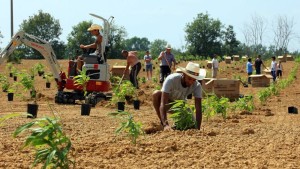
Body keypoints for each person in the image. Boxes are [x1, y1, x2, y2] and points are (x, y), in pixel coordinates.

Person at [152, 62, 206, 131]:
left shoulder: (197, 85)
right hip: (167, 103)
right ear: (184, 74)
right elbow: (163, 103)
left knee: (191, 125)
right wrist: (166, 124)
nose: (191, 82)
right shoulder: (172, 79)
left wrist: (197, 128)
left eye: (194, 80)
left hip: (181, 107)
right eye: (189, 79)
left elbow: (198, 108)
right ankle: (163, 124)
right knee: (156, 94)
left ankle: (176, 126)